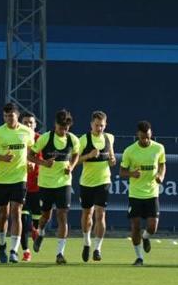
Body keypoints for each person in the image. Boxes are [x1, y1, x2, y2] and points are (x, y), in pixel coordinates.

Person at [28, 109, 81, 264]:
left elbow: (76, 154)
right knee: (46, 216)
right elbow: (30, 155)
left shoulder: (73, 140)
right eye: (60, 128)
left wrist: (71, 165)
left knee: (62, 215)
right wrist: (44, 163)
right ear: (55, 125)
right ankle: (41, 233)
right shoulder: (45, 138)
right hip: (45, 183)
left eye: (66, 128)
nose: (63, 131)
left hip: (64, 183)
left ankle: (60, 253)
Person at [0, 103, 34, 264]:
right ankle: (1, 245)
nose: (8, 118)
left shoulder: (27, 132)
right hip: (1, 179)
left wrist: (31, 162)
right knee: (3, 214)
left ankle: (14, 250)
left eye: (11, 116)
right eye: (5, 116)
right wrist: (2, 158)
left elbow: (30, 152)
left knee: (16, 212)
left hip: (20, 178)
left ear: (17, 115)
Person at [119, 121, 166, 266]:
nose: (145, 140)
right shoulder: (129, 151)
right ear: (137, 135)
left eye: (148, 137)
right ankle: (139, 257)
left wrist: (161, 176)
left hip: (152, 193)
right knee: (135, 226)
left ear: (151, 134)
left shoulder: (159, 148)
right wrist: (132, 173)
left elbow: (162, 165)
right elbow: (121, 172)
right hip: (135, 195)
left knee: (152, 227)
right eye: (142, 137)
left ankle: (146, 237)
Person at [77, 111, 116, 262]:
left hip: (104, 181)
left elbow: (111, 158)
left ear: (105, 125)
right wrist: (88, 156)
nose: (99, 128)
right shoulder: (83, 140)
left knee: (101, 215)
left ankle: (97, 248)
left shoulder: (109, 138)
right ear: (91, 124)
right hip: (87, 183)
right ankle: (86, 242)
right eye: (97, 125)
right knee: (87, 214)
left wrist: (112, 161)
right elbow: (75, 160)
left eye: (102, 125)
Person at [20, 112, 42, 261]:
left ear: (35, 125)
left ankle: (35, 230)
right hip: (21, 185)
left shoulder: (41, 140)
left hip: (39, 187)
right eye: (25, 122)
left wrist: (34, 163)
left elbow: (42, 159)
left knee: (37, 220)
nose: (28, 125)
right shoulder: (18, 138)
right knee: (22, 220)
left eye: (31, 123)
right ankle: (26, 251)